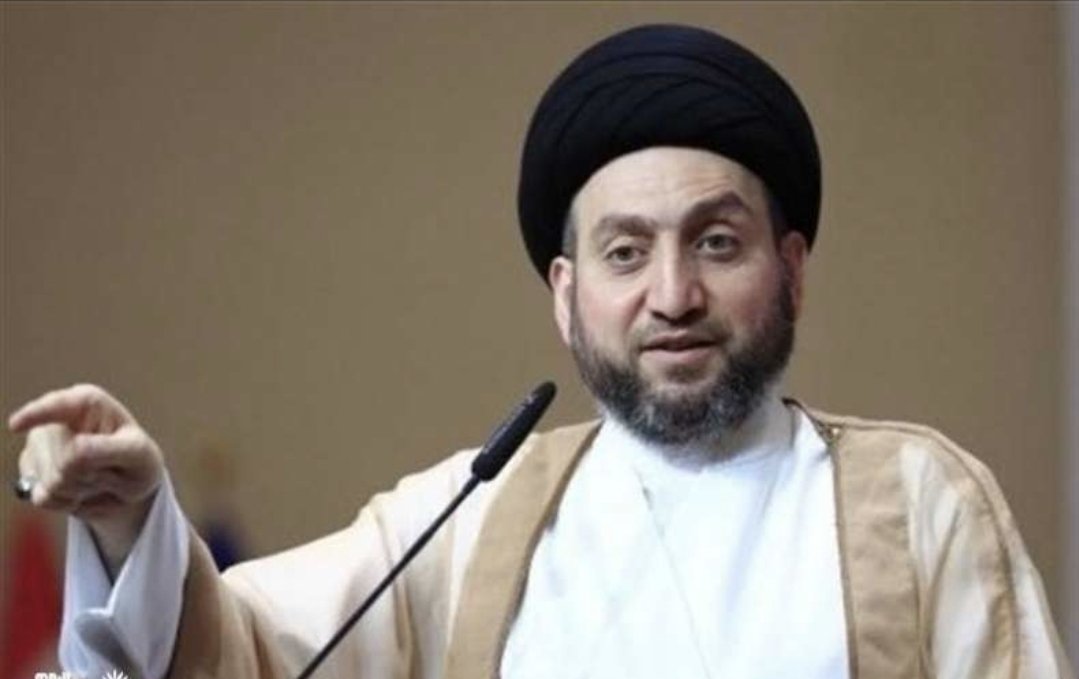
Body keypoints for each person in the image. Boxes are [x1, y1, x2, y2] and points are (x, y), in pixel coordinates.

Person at [8, 23, 1072, 679]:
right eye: (624, 252)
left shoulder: (917, 501)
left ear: (790, 268)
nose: (671, 295)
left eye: (716, 242)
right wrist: (130, 521)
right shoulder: (472, 519)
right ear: (566, 297)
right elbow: (239, 649)